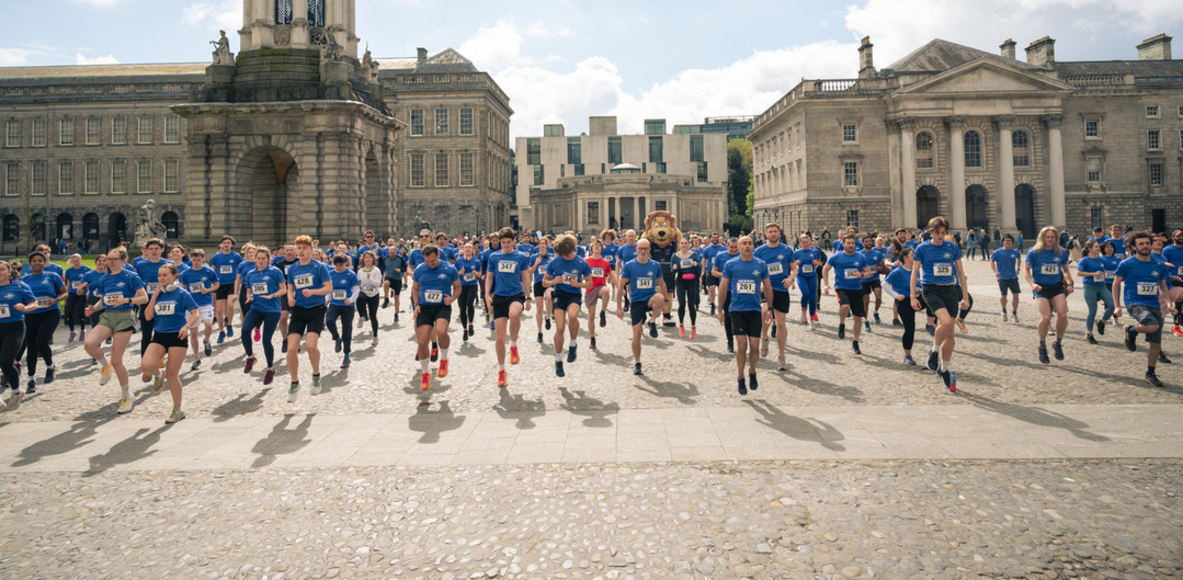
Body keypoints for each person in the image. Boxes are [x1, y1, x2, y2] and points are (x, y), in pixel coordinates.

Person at [84, 246, 149, 414]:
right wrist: (94, 308)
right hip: (107, 316)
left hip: (125, 315)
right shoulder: (104, 278)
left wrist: (126, 300)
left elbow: (144, 298)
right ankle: (106, 366)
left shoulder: (130, 276)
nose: (111, 262)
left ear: (123, 260)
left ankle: (127, 395)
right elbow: (103, 300)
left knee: (117, 360)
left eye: (114, 259)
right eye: (109, 259)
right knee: (89, 344)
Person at [1114, 231, 1175, 387]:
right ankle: (1132, 330)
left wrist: (1169, 304)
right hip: (1135, 302)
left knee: (1155, 344)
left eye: (1147, 243)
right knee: (1152, 324)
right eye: (1141, 243)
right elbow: (1116, 284)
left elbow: (1163, 288)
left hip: (1153, 304)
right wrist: (1117, 306)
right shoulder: (1126, 264)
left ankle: (1150, 373)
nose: (1145, 246)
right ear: (1134, 247)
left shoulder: (1159, 265)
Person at [140, 264, 198, 423]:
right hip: (159, 335)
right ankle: (160, 375)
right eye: (159, 275)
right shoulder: (158, 294)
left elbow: (195, 313)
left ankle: (178, 410)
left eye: (165, 275)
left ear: (174, 276)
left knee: (173, 374)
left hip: (177, 336)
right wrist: (154, 297)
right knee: (146, 365)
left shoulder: (182, 294)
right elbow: (148, 316)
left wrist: (187, 326)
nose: (162, 278)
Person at [719, 236, 773, 394]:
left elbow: (768, 287)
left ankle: (752, 372)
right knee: (742, 346)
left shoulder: (761, 264)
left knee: (754, 347)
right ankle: (740, 376)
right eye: (744, 243)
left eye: (750, 243)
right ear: (739, 247)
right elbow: (723, 287)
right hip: (737, 310)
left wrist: (770, 308)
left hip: (755, 310)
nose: (747, 246)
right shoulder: (730, 264)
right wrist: (720, 309)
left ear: (753, 246)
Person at [285, 235, 333, 401]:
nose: (301, 251)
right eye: (299, 248)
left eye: (304, 248)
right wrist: (290, 298)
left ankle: (316, 375)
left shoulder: (319, 267)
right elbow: (290, 289)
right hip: (298, 310)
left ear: (311, 250)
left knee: (311, 346)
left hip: (316, 309)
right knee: (291, 349)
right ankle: (294, 382)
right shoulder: (292, 269)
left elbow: (329, 288)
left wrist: (312, 291)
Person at [485, 227, 532, 387]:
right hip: (499, 296)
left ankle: (513, 345)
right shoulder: (494, 257)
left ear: (513, 241)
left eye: (508, 242)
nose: (505, 245)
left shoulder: (520, 256)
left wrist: (528, 297)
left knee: (513, 315)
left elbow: (525, 277)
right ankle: (501, 371)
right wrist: (486, 295)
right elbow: (489, 277)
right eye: (503, 242)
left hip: (516, 294)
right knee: (499, 338)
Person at [542, 234, 593, 377]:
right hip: (559, 294)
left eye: (567, 253)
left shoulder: (581, 263)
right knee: (560, 328)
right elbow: (544, 282)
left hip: (574, 294)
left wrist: (579, 284)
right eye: (563, 254)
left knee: (572, 316)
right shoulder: (554, 262)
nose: (565, 256)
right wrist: (553, 282)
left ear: (572, 249)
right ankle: (558, 359)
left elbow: (590, 283)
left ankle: (572, 344)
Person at [17, 251, 66, 394]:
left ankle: (50, 366)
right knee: (31, 347)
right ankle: (31, 380)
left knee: (41, 342)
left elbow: (65, 292)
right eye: (34, 261)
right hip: (31, 315)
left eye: (40, 260)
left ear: (44, 263)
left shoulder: (52, 276)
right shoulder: (24, 279)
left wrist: (55, 300)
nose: (37, 263)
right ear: (30, 264)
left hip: (50, 313)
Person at [412, 244, 460, 390]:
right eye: (427, 262)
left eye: (432, 261)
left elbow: (458, 287)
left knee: (441, 331)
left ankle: (444, 359)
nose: (430, 264)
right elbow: (415, 288)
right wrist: (416, 304)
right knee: (422, 342)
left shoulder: (450, 269)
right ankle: (425, 373)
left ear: (438, 255)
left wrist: (452, 298)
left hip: (442, 306)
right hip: (425, 307)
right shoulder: (419, 269)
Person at [1025, 226, 1074, 365]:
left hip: (1056, 286)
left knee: (1063, 315)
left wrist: (1069, 283)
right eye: (1047, 237)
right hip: (1041, 288)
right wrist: (1032, 284)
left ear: (1056, 238)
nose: (1050, 239)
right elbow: (1026, 270)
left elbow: (1065, 270)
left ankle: (1058, 342)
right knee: (1046, 318)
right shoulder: (1034, 252)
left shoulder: (1061, 252)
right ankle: (1042, 345)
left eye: (1052, 237)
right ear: (1043, 238)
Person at [618, 239, 667, 376]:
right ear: (637, 250)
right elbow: (620, 286)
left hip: (650, 298)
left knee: (660, 298)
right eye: (641, 249)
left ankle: (652, 321)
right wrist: (619, 307)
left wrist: (666, 303)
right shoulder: (629, 265)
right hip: (636, 302)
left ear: (649, 250)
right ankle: (637, 363)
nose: (643, 251)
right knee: (637, 334)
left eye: (646, 249)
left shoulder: (655, 265)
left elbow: (662, 284)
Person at [754, 223, 796, 370]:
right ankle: (764, 337)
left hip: (781, 289)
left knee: (780, 324)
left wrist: (790, 279)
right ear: (766, 234)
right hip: (766, 288)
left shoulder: (787, 250)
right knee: (764, 311)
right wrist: (760, 282)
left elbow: (794, 269)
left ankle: (781, 355)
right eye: (770, 232)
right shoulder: (759, 251)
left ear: (779, 233)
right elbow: (755, 270)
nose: (773, 234)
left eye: (775, 231)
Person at [241, 246, 285, 385]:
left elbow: (283, 290)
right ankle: (250, 357)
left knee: (266, 340)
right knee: (245, 330)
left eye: (263, 258)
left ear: (268, 259)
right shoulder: (251, 273)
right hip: (256, 308)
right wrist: (249, 296)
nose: (260, 261)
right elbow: (249, 290)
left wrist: (272, 295)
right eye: (258, 258)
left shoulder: (275, 271)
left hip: (272, 310)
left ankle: (270, 369)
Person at [822, 234, 872, 354]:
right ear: (843, 244)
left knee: (858, 317)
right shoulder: (836, 257)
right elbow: (825, 269)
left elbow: (869, 273)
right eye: (848, 243)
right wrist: (826, 284)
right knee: (845, 306)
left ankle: (855, 342)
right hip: (841, 287)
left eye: (852, 243)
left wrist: (862, 275)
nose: (851, 245)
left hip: (856, 288)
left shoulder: (860, 257)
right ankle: (842, 323)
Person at [0, 261, 36, 411]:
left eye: (1, 270)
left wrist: (25, 307)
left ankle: (16, 392)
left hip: (14, 328)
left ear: (9, 272)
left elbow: (34, 303)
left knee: (5, 362)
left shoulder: (20, 286)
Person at [133, 239, 174, 365]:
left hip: (164, 300)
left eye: (156, 248)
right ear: (147, 250)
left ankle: (159, 359)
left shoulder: (169, 264)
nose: (154, 251)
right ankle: (145, 362)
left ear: (162, 250)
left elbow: (173, 281)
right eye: (151, 249)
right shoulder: (141, 264)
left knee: (161, 332)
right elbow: (138, 282)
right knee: (146, 334)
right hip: (148, 301)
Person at [177, 249, 219, 371]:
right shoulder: (186, 273)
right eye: (194, 260)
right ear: (191, 260)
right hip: (192, 306)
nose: (196, 262)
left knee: (208, 325)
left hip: (206, 302)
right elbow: (183, 287)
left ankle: (206, 340)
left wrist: (208, 290)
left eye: (198, 260)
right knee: (194, 333)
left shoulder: (209, 271)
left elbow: (216, 285)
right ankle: (196, 357)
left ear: (203, 259)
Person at [882, 247, 920, 365]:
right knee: (910, 328)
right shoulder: (897, 272)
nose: (914, 257)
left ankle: (931, 324)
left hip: (916, 298)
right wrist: (896, 295)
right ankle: (907, 355)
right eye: (912, 255)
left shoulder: (916, 270)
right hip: (904, 301)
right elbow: (884, 284)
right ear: (905, 258)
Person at [325, 254, 360, 368]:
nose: (339, 267)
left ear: (345, 263)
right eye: (337, 265)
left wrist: (350, 300)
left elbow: (356, 290)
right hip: (335, 304)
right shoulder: (330, 274)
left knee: (347, 329)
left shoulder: (351, 274)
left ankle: (346, 355)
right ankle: (336, 338)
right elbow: (329, 289)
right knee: (329, 321)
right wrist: (327, 299)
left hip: (347, 305)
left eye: (341, 265)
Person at [1077, 240, 1114, 345]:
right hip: (1089, 286)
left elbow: (1103, 270)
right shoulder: (1084, 260)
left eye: (1098, 247)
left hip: (1101, 286)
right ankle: (1089, 333)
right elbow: (1079, 273)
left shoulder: (1101, 259)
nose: (1099, 248)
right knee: (1092, 310)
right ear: (1090, 249)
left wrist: (1104, 277)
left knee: (1112, 305)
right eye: (1096, 247)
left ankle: (1102, 322)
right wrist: (1093, 274)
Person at [209, 235, 243, 344]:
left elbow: (241, 268)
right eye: (224, 243)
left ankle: (229, 324)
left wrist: (241, 281)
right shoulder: (216, 257)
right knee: (219, 310)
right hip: (220, 285)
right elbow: (212, 270)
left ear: (232, 245)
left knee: (230, 304)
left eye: (228, 243)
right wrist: (211, 281)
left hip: (232, 284)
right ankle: (221, 331)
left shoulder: (236, 256)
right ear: (221, 245)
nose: (226, 245)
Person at [670, 237, 701, 340]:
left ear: (688, 245)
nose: (684, 245)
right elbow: (672, 270)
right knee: (682, 304)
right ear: (679, 245)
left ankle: (693, 326)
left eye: (685, 243)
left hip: (692, 280)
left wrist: (696, 265)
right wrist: (674, 268)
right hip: (681, 280)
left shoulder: (694, 255)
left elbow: (699, 269)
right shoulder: (675, 256)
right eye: (682, 243)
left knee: (691, 305)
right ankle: (681, 325)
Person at [272, 243, 298, 351]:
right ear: (284, 252)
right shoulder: (279, 265)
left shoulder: (299, 263)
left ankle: (294, 341)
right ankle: (285, 339)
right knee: (283, 317)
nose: (289, 252)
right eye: (287, 250)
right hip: (284, 292)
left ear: (295, 251)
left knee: (296, 318)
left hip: (298, 292)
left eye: (291, 250)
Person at [793, 234, 822, 329]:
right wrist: (796, 263)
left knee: (812, 297)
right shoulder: (797, 253)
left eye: (807, 242)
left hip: (812, 275)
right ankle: (802, 311)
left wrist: (816, 263)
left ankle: (812, 320)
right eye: (803, 242)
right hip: (801, 275)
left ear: (809, 242)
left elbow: (818, 263)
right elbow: (791, 265)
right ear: (800, 243)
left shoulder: (815, 251)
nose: (805, 244)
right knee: (805, 293)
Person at [990, 235, 1022, 322]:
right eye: (1006, 240)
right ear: (1003, 242)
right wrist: (995, 271)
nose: (1007, 242)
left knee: (1016, 295)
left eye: (1009, 241)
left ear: (1012, 242)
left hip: (1013, 276)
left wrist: (1018, 268)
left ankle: (1014, 312)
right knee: (1003, 295)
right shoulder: (997, 252)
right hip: (1002, 277)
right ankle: (1004, 310)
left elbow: (1019, 259)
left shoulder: (1015, 252)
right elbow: (992, 261)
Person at [454, 243, 482, 342]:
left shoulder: (476, 261)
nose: (467, 249)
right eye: (466, 247)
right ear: (463, 250)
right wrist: (459, 273)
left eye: (469, 247)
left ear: (472, 250)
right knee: (462, 308)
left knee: (469, 303)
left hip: (472, 285)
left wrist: (476, 273)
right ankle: (464, 329)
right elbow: (454, 274)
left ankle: (470, 324)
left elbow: (480, 274)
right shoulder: (458, 261)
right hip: (461, 286)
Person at [529, 237, 555, 343]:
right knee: (539, 309)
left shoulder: (552, 257)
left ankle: (548, 317)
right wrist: (536, 263)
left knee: (549, 297)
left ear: (547, 245)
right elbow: (530, 271)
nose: (542, 245)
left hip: (549, 282)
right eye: (540, 244)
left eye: (544, 243)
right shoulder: (533, 257)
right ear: (538, 246)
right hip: (538, 283)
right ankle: (540, 332)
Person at [355, 251, 382, 344]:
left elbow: (378, 284)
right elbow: (358, 283)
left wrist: (370, 279)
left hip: (374, 295)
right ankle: (361, 317)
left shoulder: (376, 270)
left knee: (373, 316)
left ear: (373, 259)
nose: (368, 259)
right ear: (363, 259)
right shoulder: (360, 271)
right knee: (359, 298)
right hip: (364, 292)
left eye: (369, 258)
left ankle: (375, 336)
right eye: (366, 258)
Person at [63, 254, 91, 343]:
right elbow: (68, 283)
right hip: (72, 292)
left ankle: (83, 330)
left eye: (77, 261)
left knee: (80, 312)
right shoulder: (69, 271)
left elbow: (90, 282)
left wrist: (88, 291)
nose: (76, 263)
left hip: (82, 293)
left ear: (80, 260)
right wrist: (66, 294)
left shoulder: (86, 269)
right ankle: (72, 331)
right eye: (74, 261)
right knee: (69, 312)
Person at [859, 235, 885, 329]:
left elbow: (881, 266)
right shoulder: (860, 254)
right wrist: (864, 273)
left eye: (870, 241)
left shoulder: (877, 253)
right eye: (866, 241)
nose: (868, 243)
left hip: (874, 278)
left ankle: (875, 312)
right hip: (864, 280)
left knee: (878, 297)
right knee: (866, 302)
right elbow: (857, 268)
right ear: (863, 243)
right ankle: (866, 320)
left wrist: (878, 268)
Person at [233, 244, 258, 342]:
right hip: (244, 287)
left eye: (253, 252)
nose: (251, 254)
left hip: (256, 288)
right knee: (245, 311)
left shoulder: (259, 263)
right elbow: (237, 279)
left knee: (258, 309)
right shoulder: (242, 264)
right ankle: (247, 333)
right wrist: (236, 292)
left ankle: (257, 327)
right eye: (249, 252)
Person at [1162, 230, 1183, 337]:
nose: (1181, 237)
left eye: (1182, 236)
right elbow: (1164, 265)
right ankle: (1176, 325)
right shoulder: (1167, 250)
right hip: (1175, 279)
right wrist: (1171, 276)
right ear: (1173, 237)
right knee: (1179, 302)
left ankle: (1178, 322)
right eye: (1178, 236)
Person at [701, 233, 724, 316]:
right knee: (711, 288)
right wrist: (703, 271)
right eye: (713, 237)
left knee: (721, 289)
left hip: (720, 272)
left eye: (716, 237)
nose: (715, 239)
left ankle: (721, 305)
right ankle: (712, 304)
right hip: (710, 271)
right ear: (711, 238)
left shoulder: (723, 248)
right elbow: (704, 260)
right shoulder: (707, 249)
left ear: (718, 238)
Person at [383, 243, 407, 322]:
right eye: (390, 253)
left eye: (393, 253)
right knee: (385, 283)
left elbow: (405, 267)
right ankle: (386, 298)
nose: (391, 255)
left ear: (396, 252)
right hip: (389, 276)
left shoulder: (400, 259)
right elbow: (382, 267)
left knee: (396, 298)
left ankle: (396, 314)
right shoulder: (386, 259)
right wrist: (381, 274)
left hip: (397, 279)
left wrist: (400, 270)